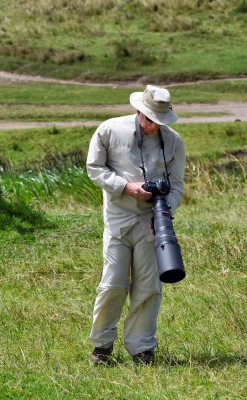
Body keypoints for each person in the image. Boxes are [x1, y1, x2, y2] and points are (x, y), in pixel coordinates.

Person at [86, 84, 186, 365]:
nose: (153, 126)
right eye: (149, 119)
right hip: (118, 220)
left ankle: (142, 348)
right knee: (112, 285)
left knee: (149, 288)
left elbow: (177, 186)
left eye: (159, 121)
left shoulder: (175, 141)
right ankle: (101, 347)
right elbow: (94, 167)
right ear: (138, 110)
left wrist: (166, 210)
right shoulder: (108, 130)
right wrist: (126, 187)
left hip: (152, 225)